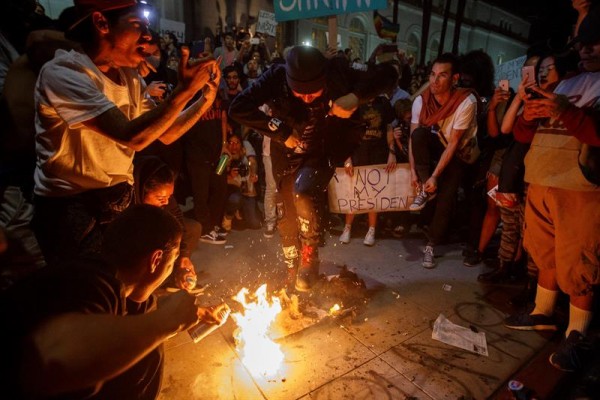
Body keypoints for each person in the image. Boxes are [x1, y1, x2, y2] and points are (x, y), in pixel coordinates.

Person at [31, 0, 220, 267]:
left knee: (128, 285)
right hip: (73, 207)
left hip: (118, 199)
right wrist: (184, 91)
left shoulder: (130, 76)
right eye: (136, 25)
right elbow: (132, 136)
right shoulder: (65, 73)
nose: (147, 35)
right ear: (101, 23)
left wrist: (204, 101)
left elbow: (164, 132)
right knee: (95, 293)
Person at [0, 204, 227, 399]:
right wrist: (166, 322)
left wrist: (196, 314)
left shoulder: (123, 285)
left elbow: (132, 323)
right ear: (156, 259)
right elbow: (54, 357)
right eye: (175, 258)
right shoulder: (91, 283)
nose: (173, 267)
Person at [229, 45, 398, 291]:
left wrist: (355, 97)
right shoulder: (276, 76)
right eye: (300, 94)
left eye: (313, 93)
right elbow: (238, 107)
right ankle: (291, 265)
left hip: (321, 151)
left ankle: (309, 256)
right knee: (286, 215)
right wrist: (281, 130)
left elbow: (389, 74)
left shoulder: (337, 72)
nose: (307, 98)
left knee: (304, 194)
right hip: (285, 156)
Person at [503, 6, 600, 372]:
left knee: (580, 264)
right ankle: (543, 311)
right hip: (542, 179)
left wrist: (567, 112)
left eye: (596, 43)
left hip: (581, 189)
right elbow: (525, 134)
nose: (588, 49)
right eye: (584, 43)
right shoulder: (566, 82)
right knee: (544, 254)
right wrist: (529, 117)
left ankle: (576, 337)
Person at [408, 53, 479, 269]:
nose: (434, 81)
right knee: (419, 135)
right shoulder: (422, 100)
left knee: (446, 198)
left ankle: (431, 245)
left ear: (454, 79)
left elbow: (454, 143)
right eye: (432, 75)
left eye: (442, 76)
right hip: (437, 144)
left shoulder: (466, 101)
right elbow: (413, 137)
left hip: (458, 153)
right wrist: (415, 174)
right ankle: (426, 189)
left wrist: (435, 176)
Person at [133, 156, 200, 290]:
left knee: (193, 228)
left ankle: (175, 274)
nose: (166, 202)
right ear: (141, 190)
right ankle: (149, 287)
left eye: (169, 196)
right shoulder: (128, 203)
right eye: (161, 198)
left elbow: (177, 217)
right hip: (134, 242)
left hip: (154, 225)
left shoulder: (165, 196)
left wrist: (184, 255)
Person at [339, 94, 397, 246]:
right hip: (358, 151)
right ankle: (348, 227)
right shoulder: (355, 102)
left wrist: (392, 152)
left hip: (378, 153)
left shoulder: (383, 102)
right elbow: (345, 131)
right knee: (354, 190)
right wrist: (347, 157)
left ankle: (371, 229)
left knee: (374, 192)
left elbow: (389, 128)